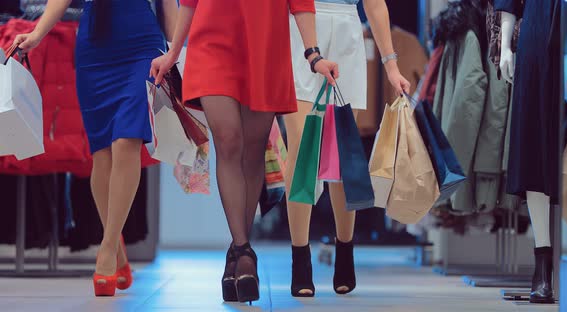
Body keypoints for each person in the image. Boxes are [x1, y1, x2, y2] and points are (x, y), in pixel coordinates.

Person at [149, 0, 338, 304]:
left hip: (264, 47)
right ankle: (244, 249)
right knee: (229, 140)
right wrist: (173, 52)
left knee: (252, 151)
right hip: (209, 43)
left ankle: (237, 256)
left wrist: (313, 55)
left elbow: (301, 4)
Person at [12, 0, 177, 296]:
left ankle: (108, 248)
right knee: (101, 155)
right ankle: (118, 253)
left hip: (142, 47)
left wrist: (177, 52)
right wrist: (37, 34)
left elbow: (168, 5)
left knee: (127, 139)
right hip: (94, 51)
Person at [285, 0, 411, 297]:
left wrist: (391, 66)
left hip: (346, 30)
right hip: (298, 27)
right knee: (302, 147)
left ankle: (345, 248)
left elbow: (375, 5)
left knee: (343, 151)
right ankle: (299, 258)